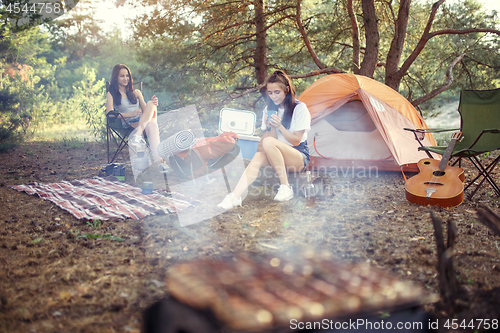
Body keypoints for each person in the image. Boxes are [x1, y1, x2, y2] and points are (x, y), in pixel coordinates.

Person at [218, 70, 311, 209]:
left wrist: (280, 126)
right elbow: (271, 143)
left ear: (286, 89)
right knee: (259, 156)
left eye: (277, 92)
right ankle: (235, 196)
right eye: (270, 92)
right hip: (277, 156)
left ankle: (286, 187)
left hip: (298, 156)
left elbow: (297, 141)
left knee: (267, 142)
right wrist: (270, 127)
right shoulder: (269, 109)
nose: (273, 96)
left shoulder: (299, 108)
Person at [106, 64, 162, 163]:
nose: (125, 78)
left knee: (150, 104)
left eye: (127, 76)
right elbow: (110, 113)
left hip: (142, 122)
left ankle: (138, 135)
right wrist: (131, 114)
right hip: (129, 124)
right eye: (122, 76)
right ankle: (160, 162)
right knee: (152, 124)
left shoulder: (135, 92)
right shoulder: (111, 94)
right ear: (116, 78)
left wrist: (141, 98)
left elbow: (146, 111)